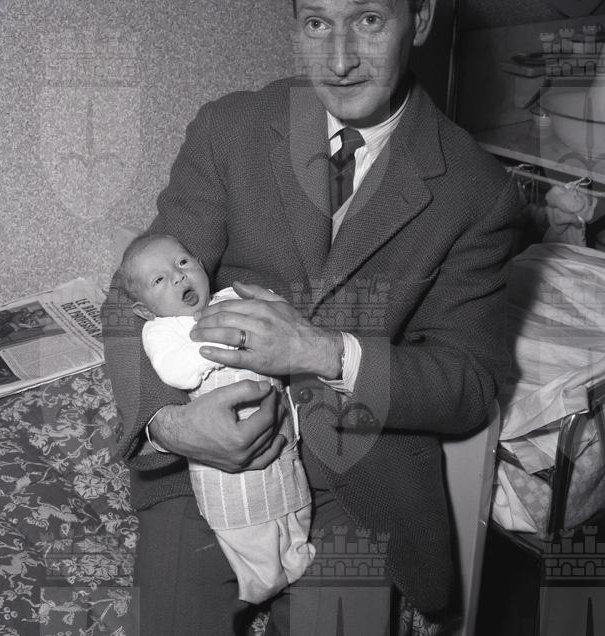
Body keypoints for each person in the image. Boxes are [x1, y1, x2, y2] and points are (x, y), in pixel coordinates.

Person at [101, 0, 520, 633]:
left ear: (421, 19)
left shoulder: (477, 192)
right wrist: (170, 423)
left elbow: (469, 384)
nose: (340, 60)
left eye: (369, 20)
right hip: (208, 467)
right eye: (318, 23)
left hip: (357, 473)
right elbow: (132, 293)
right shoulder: (230, 128)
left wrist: (322, 351)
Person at [117, 233, 315, 605]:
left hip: (281, 437)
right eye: (159, 280)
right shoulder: (163, 329)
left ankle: (296, 557)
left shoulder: (229, 300)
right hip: (224, 457)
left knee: (291, 499)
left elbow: (277, 324)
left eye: (182, 263)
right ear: (145, 310)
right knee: (246, 523)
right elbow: (176, 371)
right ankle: (261, 580)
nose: (178, 276)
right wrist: (225, 344)